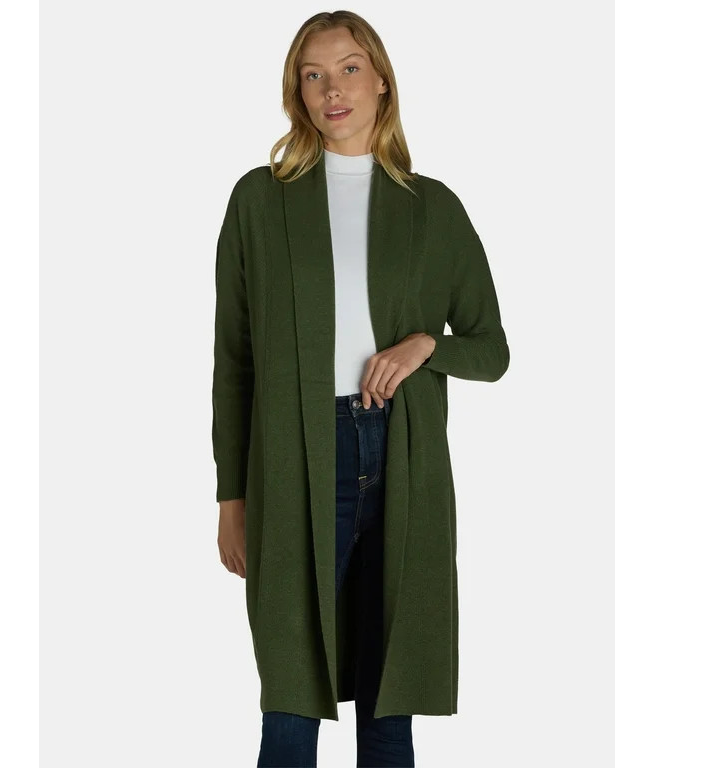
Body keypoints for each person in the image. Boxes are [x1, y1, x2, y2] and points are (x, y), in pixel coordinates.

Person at [212, 10, 510, 768]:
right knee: (290, 701)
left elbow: (492, 351)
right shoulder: (259, 200)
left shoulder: (432, 208)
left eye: (348, 68)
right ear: (297, 93)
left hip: (400, 457)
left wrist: (424, 345)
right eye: (312, 75)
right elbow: (234, 362)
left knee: (388, 704)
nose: (332, 89)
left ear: (381, 80)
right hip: (292, 458)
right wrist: (231, 498)